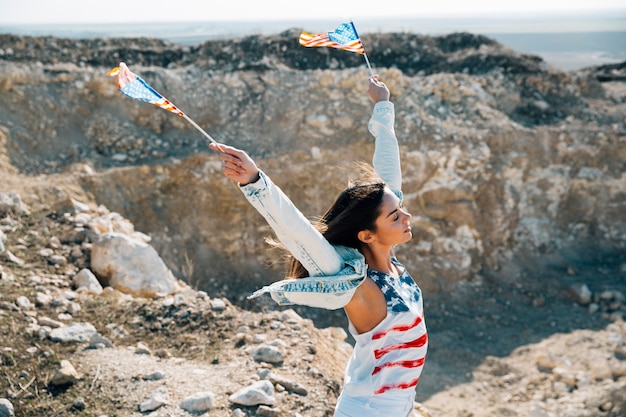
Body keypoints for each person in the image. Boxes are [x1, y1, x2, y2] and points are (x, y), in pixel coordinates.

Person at [209, 75, 428, 417]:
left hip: (397, 407)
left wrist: (383, 107)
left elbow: (390, 179)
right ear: (367, 235)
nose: (407, 215)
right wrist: (255, 182)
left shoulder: (393, 267)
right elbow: (299, 234)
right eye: (395, 215)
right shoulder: (359, 285)